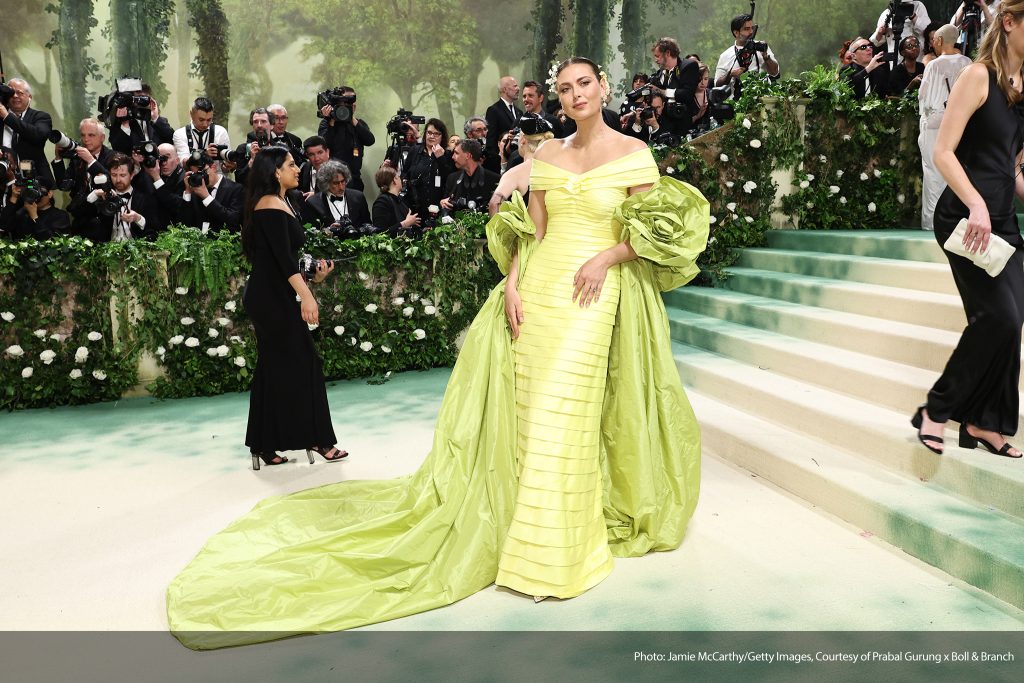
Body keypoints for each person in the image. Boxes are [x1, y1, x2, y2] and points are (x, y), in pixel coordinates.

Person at [167, 55, 707, 649]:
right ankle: (514, 528)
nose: (576, 94)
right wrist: (514, 285)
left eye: (584, 84)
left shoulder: (634, 153)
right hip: (538, 291)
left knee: (568, 405)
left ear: (603, 86)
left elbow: (653, 232)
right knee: (527, 408)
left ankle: (554, 544)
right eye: (564, 88)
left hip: (593, 291)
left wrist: (607, 258)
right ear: (555, 98)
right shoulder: (546, 156)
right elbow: (535, 230)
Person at [912, 1, 1024, 460]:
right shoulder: (978, 76)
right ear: (1011, 22)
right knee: (997, 317)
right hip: (963, 216)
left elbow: (1011, 167)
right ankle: (935, 411)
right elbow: (944, 152)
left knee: (1013, 321)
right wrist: (977, 202)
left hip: (1003, 220)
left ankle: (985, 423)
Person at [233, 145, 346, 470]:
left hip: (273, 294)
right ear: (275, 172)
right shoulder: (269, 205)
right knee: (305, 363)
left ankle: (263, 444)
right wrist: (307, 297)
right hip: (270, 299)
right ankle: (319, 440)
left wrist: (315, 277)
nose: (298, 168)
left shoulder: (281, 202)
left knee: (273, 368)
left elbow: (282, 259)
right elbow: (282, 261)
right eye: (291, 164)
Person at [918, 24, 973, 229]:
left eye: (934, 40)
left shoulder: (933, 65)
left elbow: (923, 95)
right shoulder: (968, 63)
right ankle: (958, 221)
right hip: (961, 122)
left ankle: (932, 223)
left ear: (939, 40)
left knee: (933, 171)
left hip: (935, 123)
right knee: (958, 170)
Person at [486, 114, 553, 215]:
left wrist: (500, 229)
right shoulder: (558, 167)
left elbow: (495, 203)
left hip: (529, 229)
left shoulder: (515, 173)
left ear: (523, 140)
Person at [318, 86, 374, 191]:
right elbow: (324, 145)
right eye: (342, 103)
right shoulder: (327, 123)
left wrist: (351, 118)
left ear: (354, 106)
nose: (345, 106)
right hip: (333, 179)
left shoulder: (358, 123)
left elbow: (370, 140)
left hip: (355, 178)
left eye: (349, 103)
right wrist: (331, 119)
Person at [399, 118, 455, 221]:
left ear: (442, 137)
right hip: (415, 206)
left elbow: (450, 179)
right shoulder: (415, 151)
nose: (431, 136)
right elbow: (404, 173)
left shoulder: (447, 155)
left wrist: (440, 158)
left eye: (436, 134)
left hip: (438, 207)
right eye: (429, 132)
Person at [0, 78, 54, 183]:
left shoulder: (41, 117)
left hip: (34, 180)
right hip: (4, 178)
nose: (15, 96)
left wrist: (7, 117)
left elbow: (38, 135)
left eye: (19, 93)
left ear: (29, 97)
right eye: (11, 93)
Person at [714, 16, 780, 99]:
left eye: (752, 28)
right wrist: (730, 74)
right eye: (746, 29)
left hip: (763, 100)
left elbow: (775, 72)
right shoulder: (725, 55)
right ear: (736, 33)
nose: (751, 32)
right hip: (739, 103)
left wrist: (767, 58)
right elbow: (717, 84)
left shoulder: (761, 47)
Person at [302, 159, 371, 231]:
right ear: (326, 183)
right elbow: (310, 234)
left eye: (343, 181)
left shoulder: (358, 197)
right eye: (336, 183)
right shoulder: (313, 203)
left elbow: (368, 225)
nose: (341, 187)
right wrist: (327, 231)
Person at [440, 139, 499, 214]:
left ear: (468, 155)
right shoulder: (452, 179)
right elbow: (445, 202)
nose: (452, 157)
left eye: (456, 153)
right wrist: (443, 202)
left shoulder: (495, 180)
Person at [6, 175, 71, 240]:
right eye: (31, 192)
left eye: (39, 191)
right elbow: (3, 227)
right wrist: (13, 198)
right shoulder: (22, 213)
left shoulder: (60, 216)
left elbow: (52, 243)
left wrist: (34, 217)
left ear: (50, 193)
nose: (35, 196)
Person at [172, 97, 231, 162]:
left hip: (216, 172)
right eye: (201, 120)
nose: (205, 124)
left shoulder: (220, 132)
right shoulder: (180, 134)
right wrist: (204, 155)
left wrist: (229, 166)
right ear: (191, 114)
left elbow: (226, 163)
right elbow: (184, 162)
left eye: (209, 120)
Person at [371, 165, 420, 236]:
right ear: (394, 180)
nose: (401, 179)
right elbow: (380, 233)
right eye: (399, 177)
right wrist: (405, 223)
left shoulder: (400, 199)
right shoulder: (381, 203)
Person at [485, 76, 522, 166]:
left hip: (518, 160)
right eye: (515, 86)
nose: (518, 89)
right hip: (502, 162)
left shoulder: (519, 112)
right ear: (505, 89)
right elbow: (491, 140)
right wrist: (496, 162)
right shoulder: (493, 110)